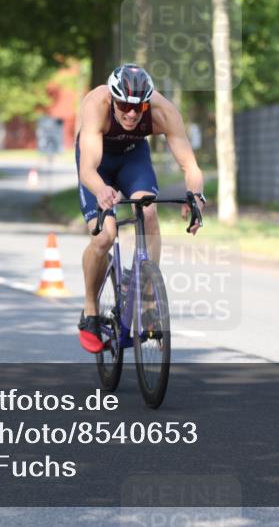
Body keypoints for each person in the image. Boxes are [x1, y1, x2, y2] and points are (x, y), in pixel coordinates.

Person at [75, 64, 205, 353]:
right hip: (98, 164)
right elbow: (87, 169)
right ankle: (90, 311)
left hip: (133, 158)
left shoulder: (164, 111)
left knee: (148, 211)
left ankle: (147, 299)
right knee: (104, 235)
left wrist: (196, 197)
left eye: (139, 107)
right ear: (113, 98)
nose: (132, 113)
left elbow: (190, 166)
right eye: (124, 105)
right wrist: (101, 190)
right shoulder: (96, 103)